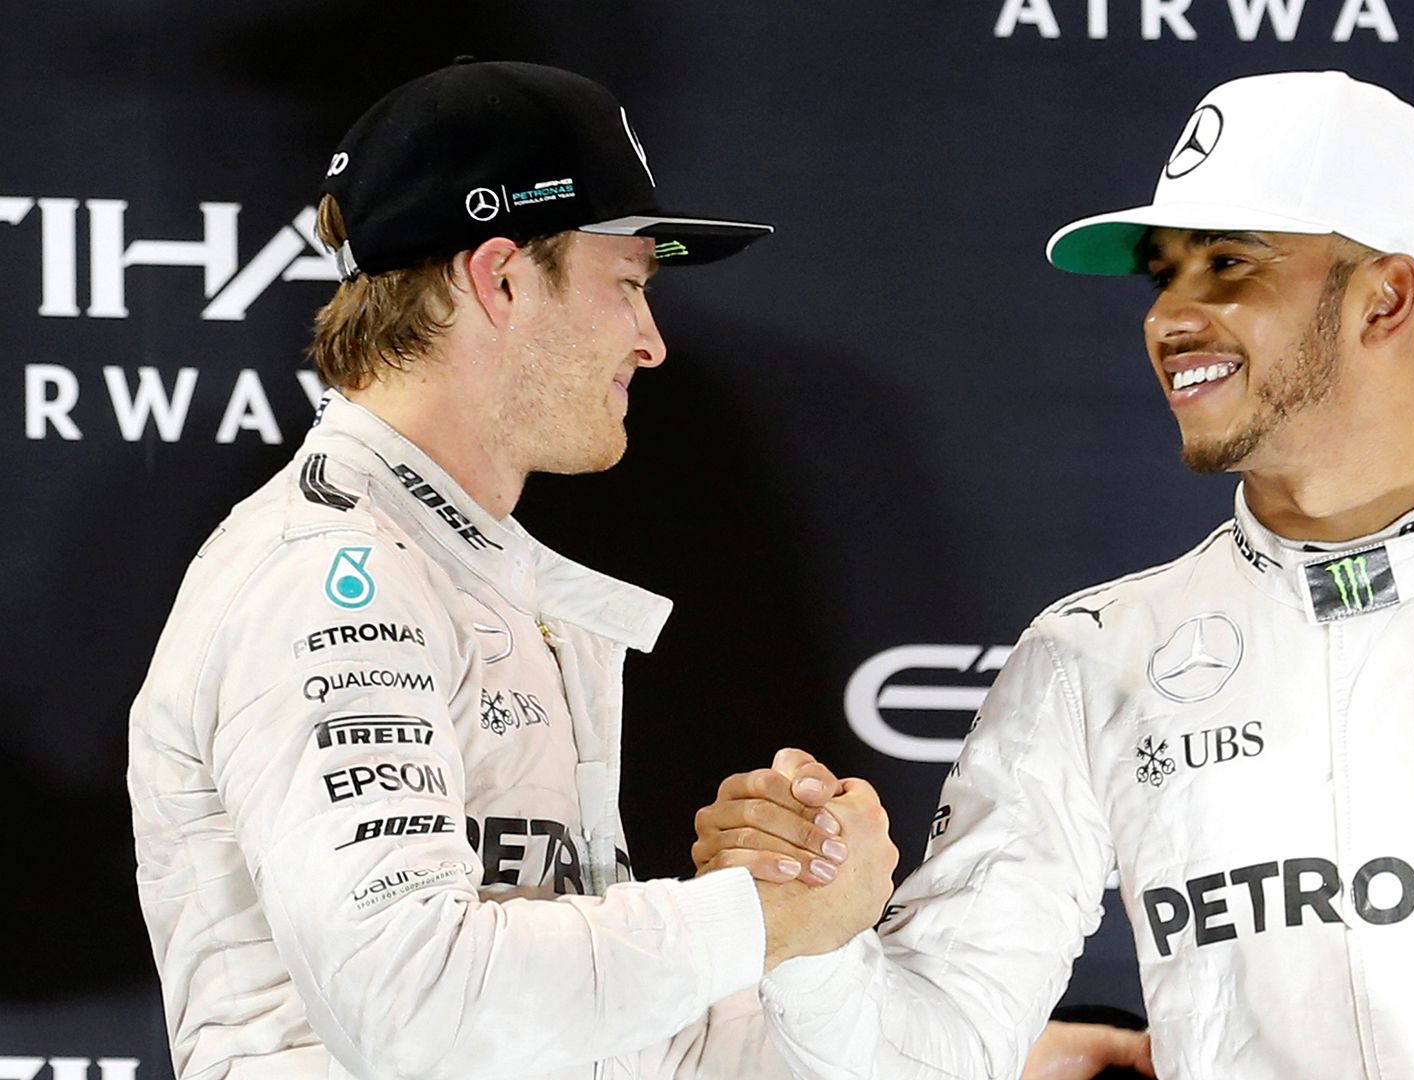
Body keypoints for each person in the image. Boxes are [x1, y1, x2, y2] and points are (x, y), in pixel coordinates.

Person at [697, 71, 1414, 1078]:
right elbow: (929, 1047)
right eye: (1163, 272)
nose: (1170, 314)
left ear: (1387, 294)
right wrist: (811, 940)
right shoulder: (1095, 650)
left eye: (1228, 262)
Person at [126, 59, 1144, 1080]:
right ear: (501, 277)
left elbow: (579, 1035)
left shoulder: (471, 575)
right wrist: (764, 914)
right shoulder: (331, 574)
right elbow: (416, 1004)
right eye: (628, 286)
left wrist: (1000, 1051)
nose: (651, 343)